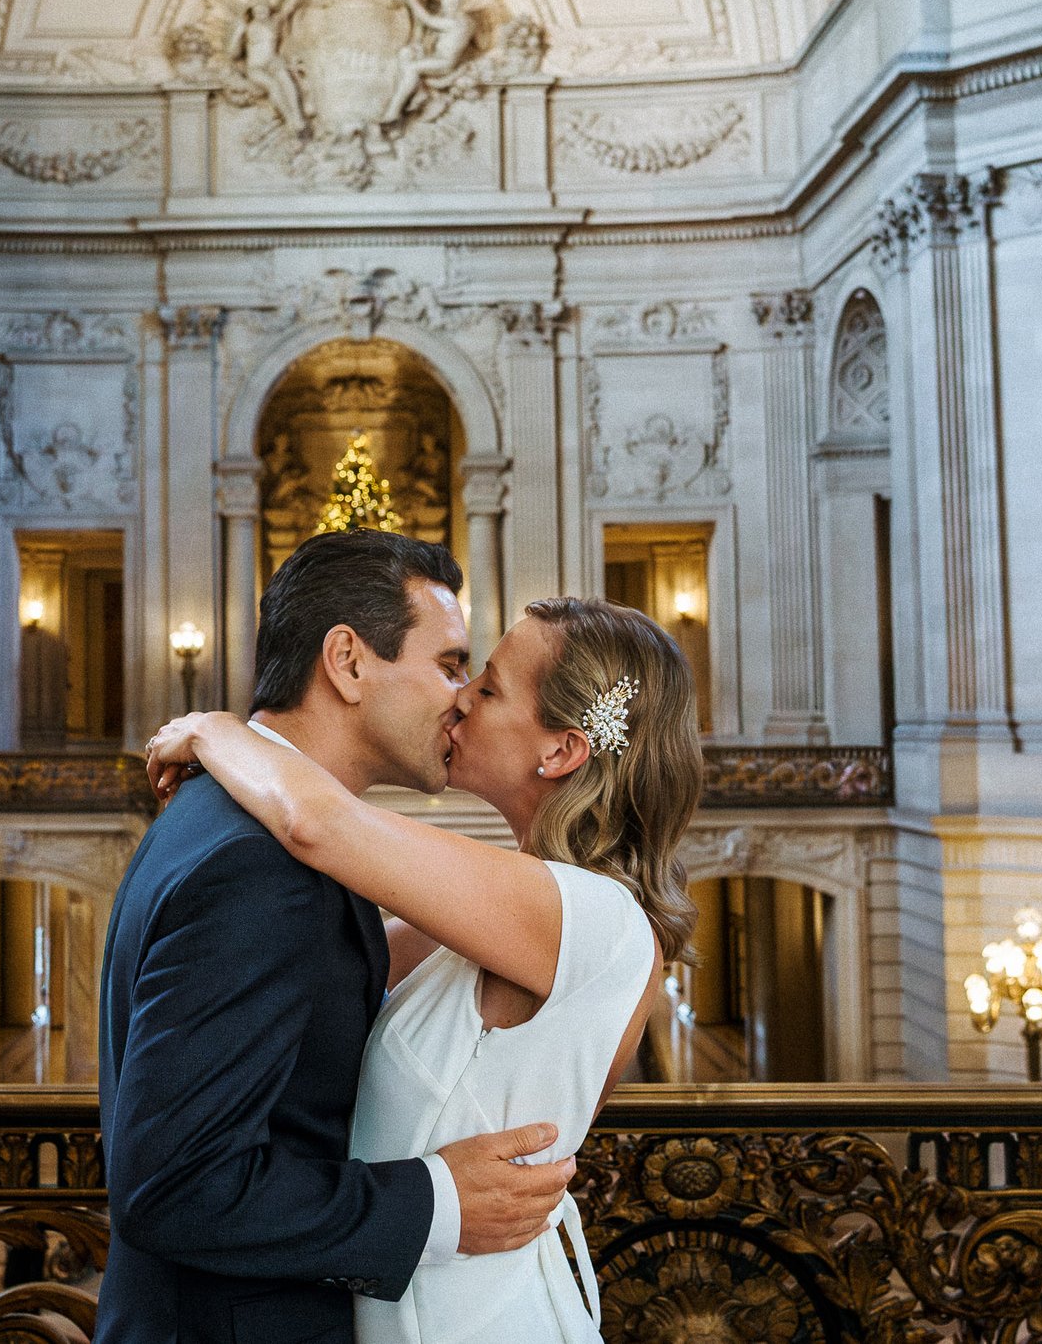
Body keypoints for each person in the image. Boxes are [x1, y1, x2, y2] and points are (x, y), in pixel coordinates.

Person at [144, 592, 703, 1342]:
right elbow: (330, 950)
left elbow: (319, 823)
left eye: (490, 685)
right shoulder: (497, 917)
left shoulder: (590, 919)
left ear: (562, 750)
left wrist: (217, 731)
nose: (459, 698)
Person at [96, 531, 576, 1344]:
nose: (462, 697)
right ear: (348, 661)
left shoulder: (248, 829)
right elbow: (174, 1186)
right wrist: (435, 1200)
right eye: (450, 664)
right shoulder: (256, 864)